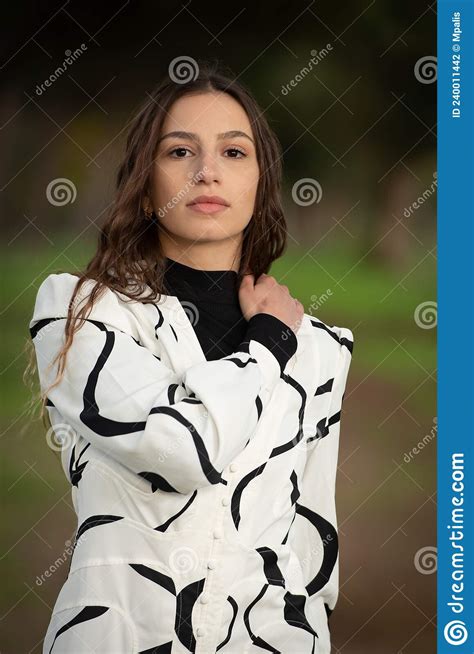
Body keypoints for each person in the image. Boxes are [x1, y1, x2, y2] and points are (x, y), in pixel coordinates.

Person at [28, 60, 354, 654]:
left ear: (261, 179)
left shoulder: (319, 350)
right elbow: (183, 449)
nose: (207, 172)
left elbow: (313, 545)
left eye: (234, 153)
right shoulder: (81, 313)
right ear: (145, 177)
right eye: (180, 152)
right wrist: (268, 347)